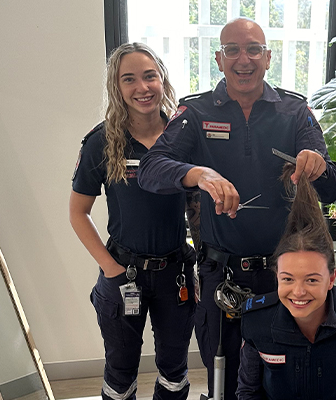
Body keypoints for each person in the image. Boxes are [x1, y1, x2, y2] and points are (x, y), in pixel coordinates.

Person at [138, 17, 336, 400]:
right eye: (232, 50)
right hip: (222, 277)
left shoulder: (295, 111)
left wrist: (315, 164)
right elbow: (151, 169)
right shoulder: (196, 112)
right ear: (218, 58)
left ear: (268, 57)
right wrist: (197, 174)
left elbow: (331, 186)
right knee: (225, 380)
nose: (242, 59)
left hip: (285, 278)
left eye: (252, 50)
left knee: (289, 378)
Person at [69, 42, 197, 400]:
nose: (142, 88)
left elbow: (199, 201)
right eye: (130, 79)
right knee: (121, 370)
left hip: (176, 273)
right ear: (117, 88)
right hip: (124, 272)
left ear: (162, 79)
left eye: (149, 76)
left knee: (175, 370)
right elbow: (78, 213)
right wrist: (109, 268)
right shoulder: (102, 142)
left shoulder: (182, 136)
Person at [236, 165, 336, 400]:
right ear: (276, 276)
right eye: (287, 279)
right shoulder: (255, 322)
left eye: (311, 279)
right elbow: (248, 392)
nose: (298, 292)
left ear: (331, 279)